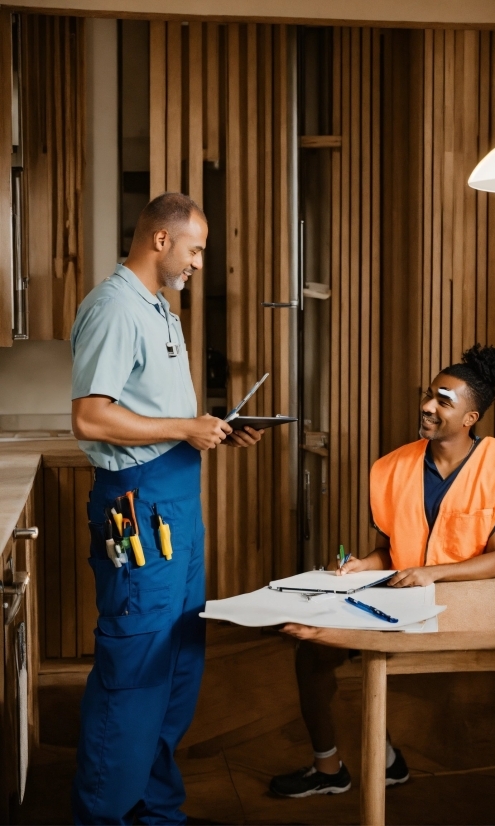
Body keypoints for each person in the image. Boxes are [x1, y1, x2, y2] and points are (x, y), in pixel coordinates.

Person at [70, 193, 262, 824]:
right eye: (196, 249)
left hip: (177, 510)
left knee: (177, 662)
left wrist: (213, 428)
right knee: (135, 667)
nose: (199, 262)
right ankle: (105, 815)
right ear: (161, 241)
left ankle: (154, 810)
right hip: (139, 510)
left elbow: (152, 412)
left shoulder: (160, 311)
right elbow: (90, 416)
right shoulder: (115, 308)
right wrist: (185, 426)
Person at [271, 344, 495, 798]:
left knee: (346, 650)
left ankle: (386, 760)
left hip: (460, 602)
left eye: (444, 401)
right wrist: (361, 564)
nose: (428, 406)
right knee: (311, 648)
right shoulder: (391, 466)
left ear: (471, 418)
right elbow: (387, 553)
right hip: (400, 592)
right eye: (429, 395)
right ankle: (331, 767)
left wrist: (433, 573)